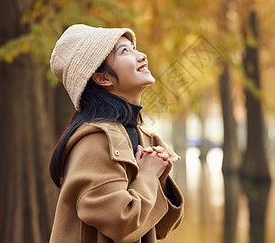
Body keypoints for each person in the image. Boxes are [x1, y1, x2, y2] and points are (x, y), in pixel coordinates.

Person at [48, 24, 184, 243]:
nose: (142, 56)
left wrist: (160, 178)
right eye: (124, 51)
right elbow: (121, 222)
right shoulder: (94, 142)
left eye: (134, 48)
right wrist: (148, 176)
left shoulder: (140, 136)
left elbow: (160, 228)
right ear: (103, 78)